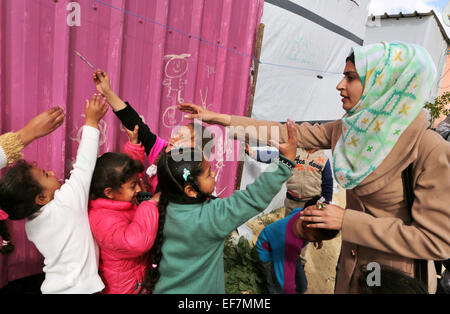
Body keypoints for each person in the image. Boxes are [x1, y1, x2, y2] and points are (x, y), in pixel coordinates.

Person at [178, 41, 450, 293]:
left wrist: (346, 220)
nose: (340, 85)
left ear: (384, 84)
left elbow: (435, 240)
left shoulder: (429, 150)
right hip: (352, 269)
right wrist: (219, 119)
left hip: (392, 280)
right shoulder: (351, 131)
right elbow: (285, 134)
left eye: (351, 77)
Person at [145, 120, 298, 294]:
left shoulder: (160, 208)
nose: (214, 173)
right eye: (208, 172)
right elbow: (254, 197)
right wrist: (284, 164)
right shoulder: (211, 217)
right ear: (190, 190)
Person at [0, 94, 108, 294]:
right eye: (44, 174)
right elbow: (84, 166)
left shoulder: (32, 224)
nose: (51, 172)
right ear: (41, 198)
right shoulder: (66, 202)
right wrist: (92, 121)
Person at [93, 70, 212, 195]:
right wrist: (108, 92)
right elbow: (136, 125)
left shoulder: (195, 179)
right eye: (176, 134)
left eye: (183, 138)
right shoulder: (162, 150)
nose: (174, 139)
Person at [88, 152, 160, 294]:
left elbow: (130, 176)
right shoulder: (102, 219)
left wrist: (133, 148)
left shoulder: (120, 200)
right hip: (123, 289)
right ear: (109, 193)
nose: (139, 189)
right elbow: (136, 242)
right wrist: (150, 205)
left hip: (137, 280)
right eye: (133, 186)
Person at [256, 196, 338, 294]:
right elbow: (286, 282)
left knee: (302, 285)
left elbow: (295, 211)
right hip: (269, 253)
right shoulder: (288, 244)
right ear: (307, 224)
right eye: (317, 237)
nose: (318, 241)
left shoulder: (304, 214)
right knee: (276, 287)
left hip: (286, 249)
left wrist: (317, 239)